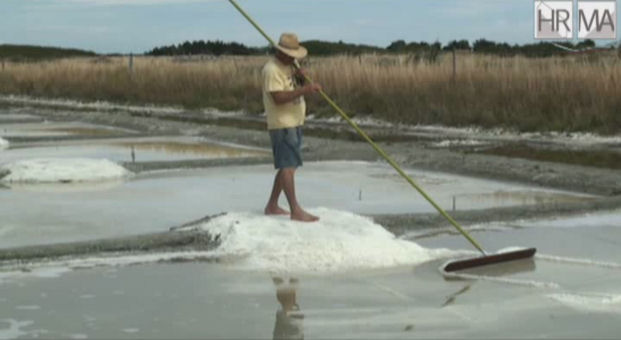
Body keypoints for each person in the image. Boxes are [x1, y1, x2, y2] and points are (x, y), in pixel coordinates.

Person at [263, 33, 322, 222]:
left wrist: (302, 79)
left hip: (295, 122)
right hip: (283, 124)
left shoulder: (289, 66)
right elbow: (278, 98)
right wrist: (305, 90)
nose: (294, 58)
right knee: (287, 166)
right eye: (291, 54)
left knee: (289, 166)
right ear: (282, 52)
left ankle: (272, 205)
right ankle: (295, 209)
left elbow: (292, 86)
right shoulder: (272, 70)